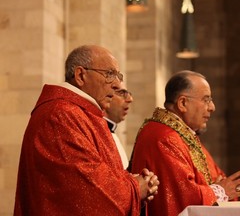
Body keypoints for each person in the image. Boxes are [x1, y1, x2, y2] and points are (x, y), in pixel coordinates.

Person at [14, 45, 159, 216]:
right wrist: (135, 188)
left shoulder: (80, 113)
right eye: (109, 74)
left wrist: (134, 182)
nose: (117, 84)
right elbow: (86, 191)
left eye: (118, 76)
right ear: (81, 75)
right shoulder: (61, 115)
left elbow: (101, 173)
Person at [129, 70, 240, 216]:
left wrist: (224, 188)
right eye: (206, 100)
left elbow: (220, 179)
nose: (212, 107)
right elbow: (181, 197)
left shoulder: (182, 135)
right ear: (182, 103)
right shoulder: (163, 137)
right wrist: (220, 191)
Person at [103, 84, 133, 169]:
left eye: (128, 93)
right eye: (122, 93)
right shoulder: (97, 132)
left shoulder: (111, 130)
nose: (130, 99)